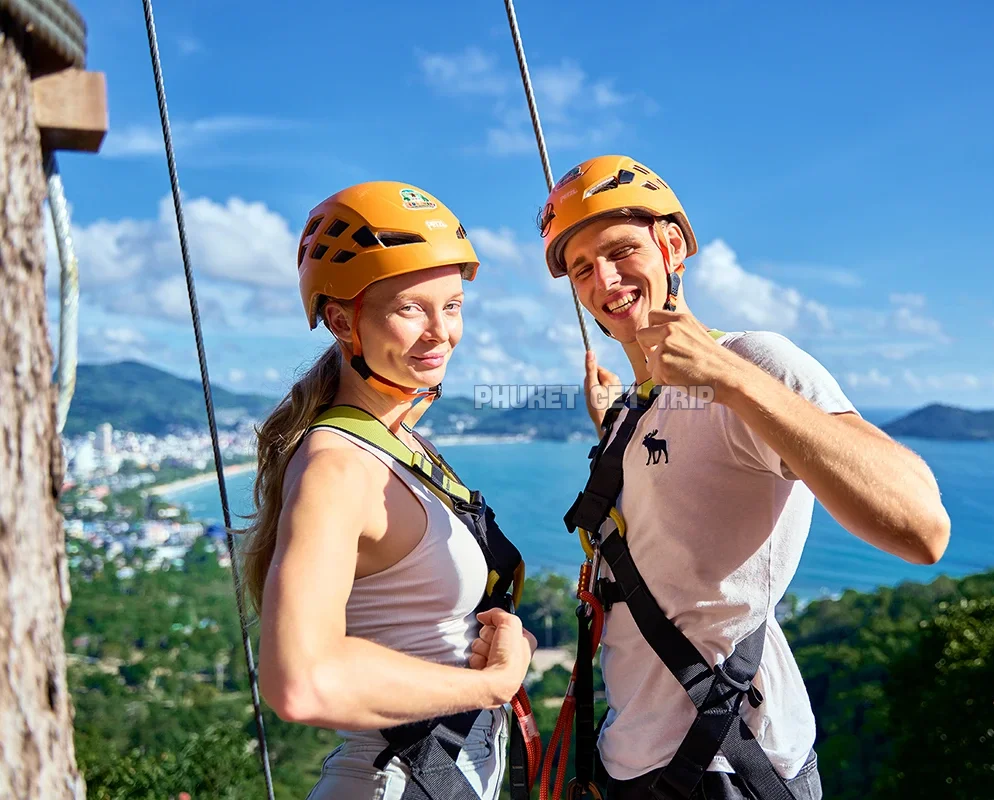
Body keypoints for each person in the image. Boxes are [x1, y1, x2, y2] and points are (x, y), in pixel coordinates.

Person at [537, 155, 952, 799]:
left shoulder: (753, 361)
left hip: (728, 761)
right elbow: (681, 493)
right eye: (583, 268)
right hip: (632, 758)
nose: (605, 280)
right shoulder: (633, 412)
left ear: (673, 246)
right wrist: (617, 421)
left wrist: (730, 379)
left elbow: (922, 527)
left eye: (621, 251)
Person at [239, 181, 539, 800]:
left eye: (452, 305)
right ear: (341, 321)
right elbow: (301, 681)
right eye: (410, 309)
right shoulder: (336, 468)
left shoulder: (400, 441)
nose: (440, 332)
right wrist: (489, 686)